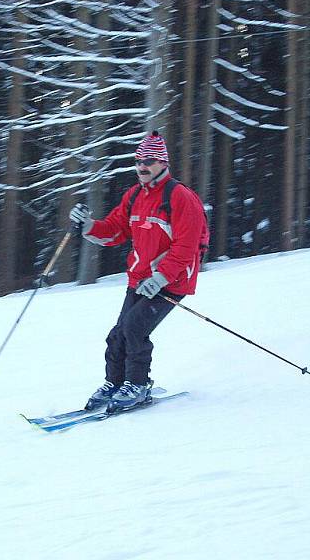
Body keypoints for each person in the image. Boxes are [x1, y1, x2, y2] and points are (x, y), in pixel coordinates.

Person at [69, 131, 208, 414]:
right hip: (139, 279)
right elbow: (115, 230)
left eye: (150, 161)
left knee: (135, 328)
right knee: (118, 332)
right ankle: (115, 382)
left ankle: (138, 384)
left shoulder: (180, 197)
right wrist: (88, 225)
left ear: (163, 164)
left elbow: (187, 245)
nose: (143, 167)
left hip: (171, 281)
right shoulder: (134, 195)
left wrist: (161, 277)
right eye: (139, 161)